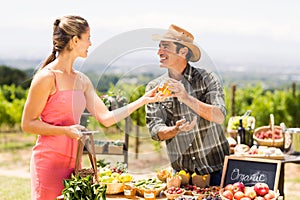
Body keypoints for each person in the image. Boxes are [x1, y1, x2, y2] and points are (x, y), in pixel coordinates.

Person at [21, 15, 164, 200]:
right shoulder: (47, 77)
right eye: (88, 38)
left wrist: (143, 100)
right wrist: (66, 131)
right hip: (48, 163)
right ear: (74, 40)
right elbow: (27, 124)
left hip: (75, 164)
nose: (90, 43)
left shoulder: (82, 80)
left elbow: (106, 118)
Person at [145, 24, 230, 186]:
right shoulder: (154, 87)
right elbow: (155, 130)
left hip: (216, 172)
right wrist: (174, 130)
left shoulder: (207, 79)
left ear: (182, 51)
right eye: (159, 47)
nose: (159, 52)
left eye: (165, 47)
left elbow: (219, 116)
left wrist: (186, 97)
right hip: (181, 176)